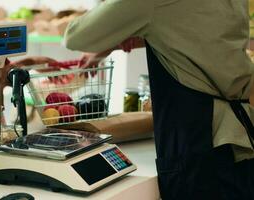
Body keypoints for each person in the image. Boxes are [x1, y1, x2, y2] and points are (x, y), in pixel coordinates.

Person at [64, 0, 254, 199]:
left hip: (198, 145)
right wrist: (132, 33)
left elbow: (76, 35)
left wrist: (122, 30)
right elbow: (198, 33)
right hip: (239, 139)